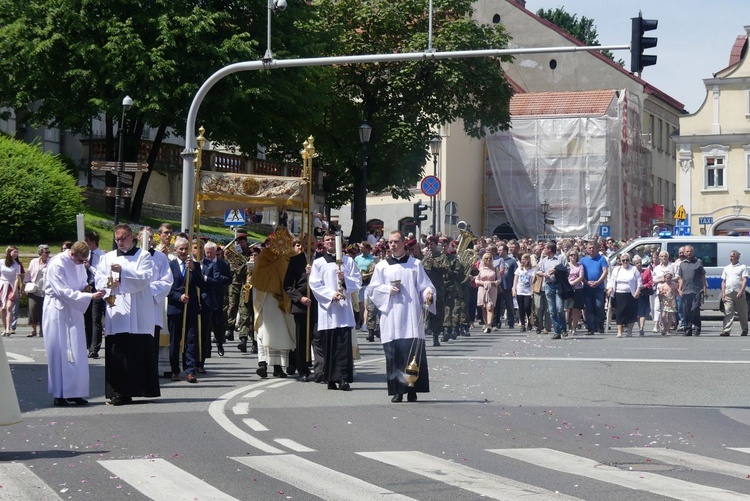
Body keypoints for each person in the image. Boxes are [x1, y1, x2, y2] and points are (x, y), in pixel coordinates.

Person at [366, 230, 435, 403]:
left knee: (413, 353)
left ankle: (413, 390)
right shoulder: (382, 266)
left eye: (396, 241)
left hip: (411, 314)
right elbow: (372, 289)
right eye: (390, 242)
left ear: (404, 243)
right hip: (391, 316)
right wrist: (387, 290)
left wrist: (428, 294)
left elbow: (425, 286)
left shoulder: (415, 264)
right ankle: (398, 391)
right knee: (394, 354)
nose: (393, 245)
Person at [96, 224, 159, 405]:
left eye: (124, 238)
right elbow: (99, 278)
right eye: (117, 239)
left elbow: (144, 278)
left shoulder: (144, 256)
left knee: (137, 351)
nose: (120, 242)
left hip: (138, 312)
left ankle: (140, 389)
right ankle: (117, 392)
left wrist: (123, 273)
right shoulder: (108, 257)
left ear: (133, 238)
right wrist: (110, 282)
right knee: (118, 352)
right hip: (117, 310)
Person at [42, 241, 105, 406]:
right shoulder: (57, 264)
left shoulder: (78, 263)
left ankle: (76, 392)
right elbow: (62, 291)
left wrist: (87, 288)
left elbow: (82, 280)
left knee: (77, 350)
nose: (81, 264)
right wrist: (88, 297)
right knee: (60, 351)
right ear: (72, 253)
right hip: (58, 309)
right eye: (80, 260)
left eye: (84, 261)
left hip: (74, 308)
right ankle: (60, 393)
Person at [309, 231, 362, 390]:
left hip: (344, 310)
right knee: (329, 344)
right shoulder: (319, 263)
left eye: (333, 239)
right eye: (327, 240)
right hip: (329, 310)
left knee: (343, 345)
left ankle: (343, 378)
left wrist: (345, 280)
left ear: (339, 242)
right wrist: (332, 295)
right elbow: (314, 284)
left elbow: (358, 281)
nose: (330, 242)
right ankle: (330, 378)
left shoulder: (348, 261)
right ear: (323, 243)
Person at [252, 228, 297, 379]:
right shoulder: (265, 256)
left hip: (283, 299)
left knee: (283, 332)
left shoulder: (291, 256)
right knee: (264, 332)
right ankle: (263, 363)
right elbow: (258, 276)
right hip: (266, 299)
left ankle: (279, 367)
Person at [167, 236, 204, 383]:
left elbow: (202, 284)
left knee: (191, 340)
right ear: (175, 250)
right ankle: (175, 370)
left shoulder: (195, 265)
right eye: (180, 249)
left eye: (185, 249)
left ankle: (190, 370)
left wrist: (194, 270)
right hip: (176, 307)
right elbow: (166, 287)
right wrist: (178, 296)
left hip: (191, 308)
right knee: (175, 341)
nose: (183, 251)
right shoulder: (170, 265)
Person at [284, 237, 317, 381]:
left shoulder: (321, 260)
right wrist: (300, 298)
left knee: (317, 337)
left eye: (312, 243)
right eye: (306, 243)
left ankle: (319, 367)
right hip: (301, 305)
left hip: (319, 304)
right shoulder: (295, 260)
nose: (309, 246)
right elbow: (287, 285)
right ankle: (302, 368)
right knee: (301, 338)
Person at [201, 241, 232, 357]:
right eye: (207, 252)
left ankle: (220, 342)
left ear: (216, 252)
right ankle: (207, 349)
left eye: (211, 252)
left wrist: (218, 278)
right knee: (207, 324)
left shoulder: (223, 264)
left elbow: (229, 279)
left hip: (219, 297)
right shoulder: (203, 263)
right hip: (206, 297)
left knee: (218, 322)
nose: (208, 254)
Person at [606, 252, 642, 337]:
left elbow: (639, 282)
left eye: (627, 260)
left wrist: (637, 291)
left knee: (631, 313)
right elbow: (612, 280)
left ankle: (630, 331)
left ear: (629, 261)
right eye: (623, 260)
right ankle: (619, 331)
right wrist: (610, 288)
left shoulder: (634, 269)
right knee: (619, 313)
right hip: (619, 294)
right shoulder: (617, 269)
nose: (625, 262)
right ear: (620, 261)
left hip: (631, 294)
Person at [83, 231, 106, 357]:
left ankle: (94, 348)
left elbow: (102, 274)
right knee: (86, 318)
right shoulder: (86, 255)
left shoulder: (102, 256)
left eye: (87, 241)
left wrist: (90, 267)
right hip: (87, 288)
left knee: (95, 318)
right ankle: (88, 344)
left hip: (97, 288)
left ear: (92, 241)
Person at [537, 241, 565, 339]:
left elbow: (567, 269)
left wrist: (557, 270)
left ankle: (563, 327)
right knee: (552, 310)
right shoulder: (544, 260)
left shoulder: (561, 258)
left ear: (549, 249)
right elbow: (538, 271)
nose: (543, 250)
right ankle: (557, 331)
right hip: (549, 285)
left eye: (545, 248)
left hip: (558, 285)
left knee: (560, 308)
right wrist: (543, 274)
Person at [677, 245, 707, 337]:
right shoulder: (682, 264)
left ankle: (697, 328)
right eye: (687, 251)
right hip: (686, 291)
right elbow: (681, 278)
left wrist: (705, 289)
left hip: (696, 290)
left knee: (695, 309)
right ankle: (687, 329)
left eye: (690, 251)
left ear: (693, 252)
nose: (689, 253)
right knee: (686, 311)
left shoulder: (698, 262)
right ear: (684, 253)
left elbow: (702, 276)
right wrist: (679, 289)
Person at [580, 242, 608, 335]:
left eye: (593, 248)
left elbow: (605, 271)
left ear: (597, 249)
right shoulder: (583, 260)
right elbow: (581, 274)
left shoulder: (601, 259)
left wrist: (598, 282)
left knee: (599, 306)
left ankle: (600, 326)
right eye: (590, 248)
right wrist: (587, 282)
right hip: (587, 287)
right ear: (587, 249)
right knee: (589, 308)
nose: (592, 249)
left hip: (599, 287)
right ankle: (590, 328)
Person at [24, 244, 51, 337]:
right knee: (33, 309)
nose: (48, 254)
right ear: (40, 253)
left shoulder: (51, 262)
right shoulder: (34, 262)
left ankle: (42, 331)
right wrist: (25, 282)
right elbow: (29, 273)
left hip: (46, 290)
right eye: (46, 252)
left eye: (49, 252)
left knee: (44, 311)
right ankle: (33, 330)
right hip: (34, 289)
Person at [720, 250, 748, 336]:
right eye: (730, 256)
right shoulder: (727, 268)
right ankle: (726, 330)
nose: (730, 258)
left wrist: (741, 291)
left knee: (742, 312)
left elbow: (744, 280)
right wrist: (723, 293)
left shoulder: (742, 267)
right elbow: (723, 281)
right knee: (728, 312)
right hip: (728, 292)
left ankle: (744, 329)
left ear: (737, 257)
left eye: (732, 256)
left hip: (738, 293)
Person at [476, 253, 500, 334]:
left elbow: (499, 279)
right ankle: (486, 324)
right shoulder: (480, 269)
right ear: (484, 259)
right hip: (482, 289)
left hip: (492, 289)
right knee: (483, 307)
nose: (488, 260)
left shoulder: (495, 269)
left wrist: (493, 283)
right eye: (486, 258)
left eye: (490, 258)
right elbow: (476, 280)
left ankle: (489, 324)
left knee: (490, 307)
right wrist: (484, 283)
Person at [1, 246, 22, 337]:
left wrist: (14, 291)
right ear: (9, 253)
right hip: (2, 286)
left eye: (17, 252)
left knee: (9, 307)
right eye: (14, 252)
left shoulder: (17, 265)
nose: (16, 254)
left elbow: (17, 279)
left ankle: (8, 328)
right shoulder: (1, 262)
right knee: (2, 308)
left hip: (11, 286)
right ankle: (5, 328)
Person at [566, 250, 586, 336]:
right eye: (571, 255)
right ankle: (567, 326)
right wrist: (568, 284)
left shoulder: (580, 266)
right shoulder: (566, 266)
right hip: (567, 289)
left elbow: (581, 276)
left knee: (575, 309)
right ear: (568, 256)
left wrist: (574, 283)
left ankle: (574, 328)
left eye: (575, 255)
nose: (573, 256)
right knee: (566, 309)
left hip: (577, 288)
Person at [632, 255, 653, 336]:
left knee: (642, 312)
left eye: (640, 263)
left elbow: (651, 282)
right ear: (634, 264)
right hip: (634, 294)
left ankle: (641, 328)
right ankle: (639, 327)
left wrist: (644, 286)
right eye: (637, 263)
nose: (639, 264)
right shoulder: (632, 272)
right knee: (637, 313)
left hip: (644, 293)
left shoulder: (647, 271)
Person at [513, 253, 533, 332]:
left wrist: (532, 292)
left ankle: (529, 322)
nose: (522, 261)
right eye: (521, 259)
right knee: (521, 308)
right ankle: (523, 324)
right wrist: (514, 289)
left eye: (524, 259)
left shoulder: (532, 270)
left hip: (528, 291)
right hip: (520, 290)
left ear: (528, 260)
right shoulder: (519, 269)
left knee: (527, 307)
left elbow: (532, 282)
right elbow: (515, 280)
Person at [657, 271, 678, 336]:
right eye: (667, 278)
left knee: (670, 317)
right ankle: (665, 327)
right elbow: (660, 294)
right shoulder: (662, 285)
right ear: (664, 278)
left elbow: (676, 291)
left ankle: (668, 330)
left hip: (671, 302)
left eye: (669, 278)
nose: (668, 280)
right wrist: (661, 294)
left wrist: (676, 293)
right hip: (664, 302)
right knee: (663, 316)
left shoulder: (674, 285)